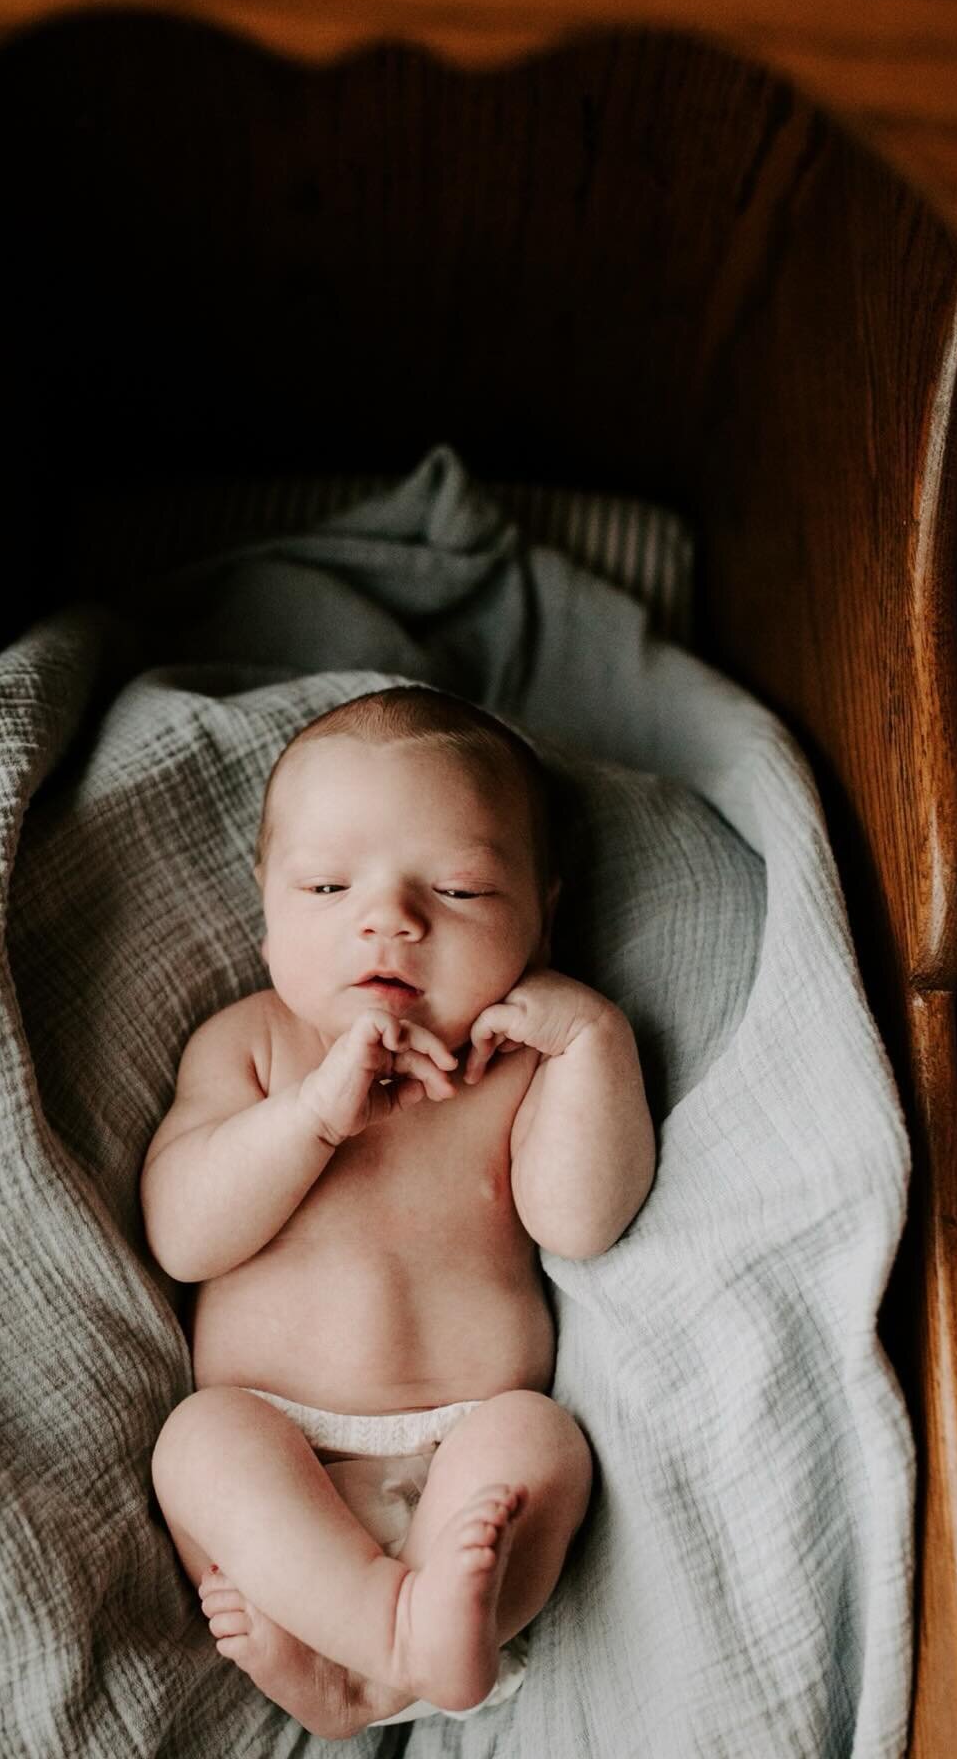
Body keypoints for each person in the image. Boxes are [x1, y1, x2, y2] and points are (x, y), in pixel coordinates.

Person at [143, 685, 655, 1736]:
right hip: (280, 1436)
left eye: (460, 891)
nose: (390, 919)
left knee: (545, 1441)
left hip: (464, 1439)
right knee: (199, 1441)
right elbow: (183, 1235)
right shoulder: (252, 1045)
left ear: (543, 912)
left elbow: (581, 1221)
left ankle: (368, 1676)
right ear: (266, 908)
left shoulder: (517, 1068)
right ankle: (391, 1631)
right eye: (328, 886)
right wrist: (309, 1119)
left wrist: (594, 1044)